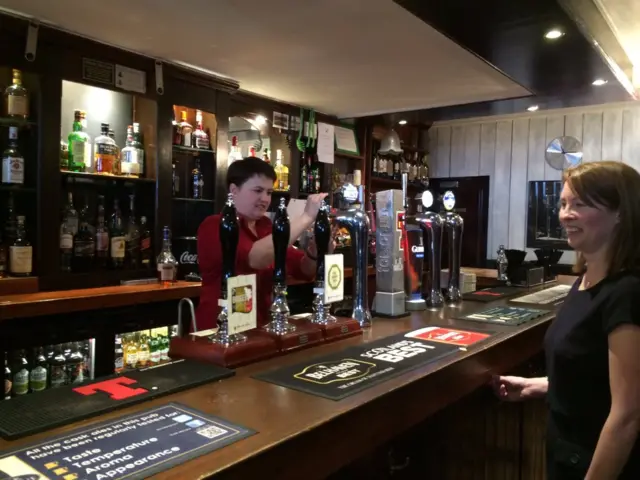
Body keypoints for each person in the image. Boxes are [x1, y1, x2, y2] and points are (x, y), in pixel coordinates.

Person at [492, 160, 640, 479]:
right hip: (566, 454)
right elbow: (594, 375)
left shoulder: (626, 293)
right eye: (563, 203)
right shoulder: (585, 280)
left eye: (580, 204)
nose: (565, 214)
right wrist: (542, 386)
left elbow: (628, 414)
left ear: (621, 213)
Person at [196, 156, 328, 330]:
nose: (265, 199)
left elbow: (303, 270)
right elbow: (255, 259)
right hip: (218, 331)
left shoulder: (266, 227)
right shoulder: (214, 225)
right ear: (234, 190)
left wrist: (315, 252)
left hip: (261, 328)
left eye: (269, 193)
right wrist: (306, 217)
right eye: (258, 190)